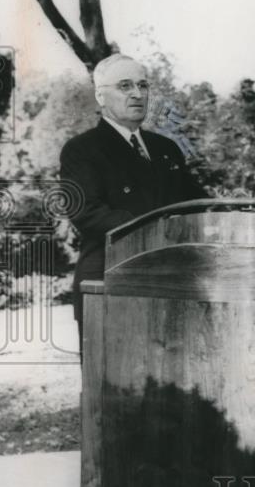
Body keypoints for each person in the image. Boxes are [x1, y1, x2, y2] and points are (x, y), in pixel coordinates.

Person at [59, 53, 206, 340]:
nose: (137, 94)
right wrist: (161, 228)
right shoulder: (81, 150)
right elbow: (87, 214)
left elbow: (198, 204)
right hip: (107, 279)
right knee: (110, 382)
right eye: (125, 86)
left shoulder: (166, 149)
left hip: (170, 281)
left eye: (143, 85)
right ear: (101, 96)